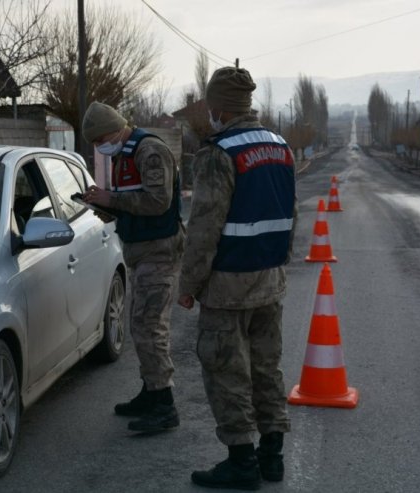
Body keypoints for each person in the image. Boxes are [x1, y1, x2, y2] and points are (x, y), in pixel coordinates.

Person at [178, 67, 297, 490]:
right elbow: (290, 216)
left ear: (219, 108)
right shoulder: (281, 147)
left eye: (211, 106)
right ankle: (272, 457)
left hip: (228, 285)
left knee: (228, 373)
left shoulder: (218, 153)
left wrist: (188, 286)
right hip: (270, 280)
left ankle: (242, 462)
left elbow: (204, 228)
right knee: (267, 368)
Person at [81, 101, 185, 433]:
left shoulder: (148, 150)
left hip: (159, 250)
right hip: (141, 249)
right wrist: (107, 208)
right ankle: (151, 391)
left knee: (149, 326)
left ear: (114, 130)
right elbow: (133, 202)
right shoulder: (124, 154)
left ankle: (164, 405)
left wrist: (111, 200)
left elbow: (158, 201)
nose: (100, 148)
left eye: (100, 141)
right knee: (142, 325)